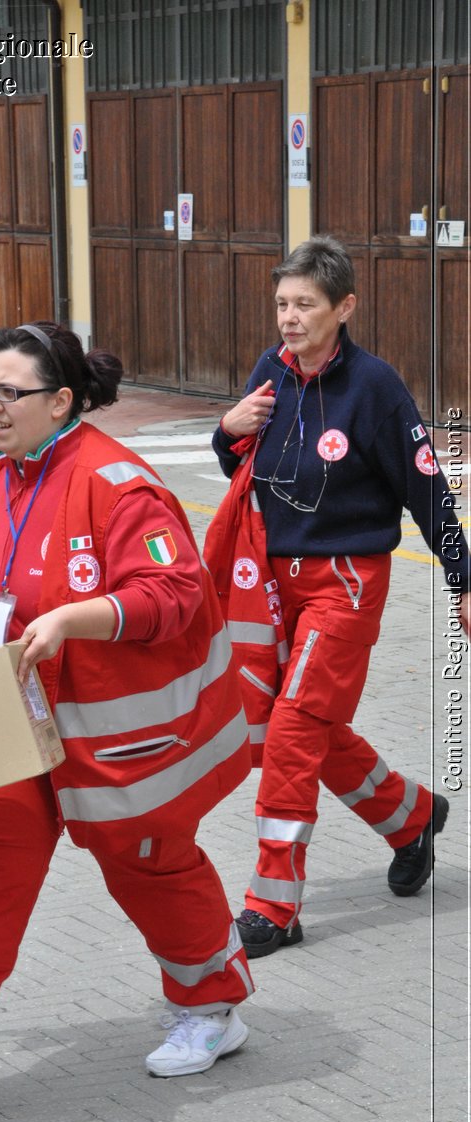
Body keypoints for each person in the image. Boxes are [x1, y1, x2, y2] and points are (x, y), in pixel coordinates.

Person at [0, 321, 255, 1119]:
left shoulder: (118, 482)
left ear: (61, 400)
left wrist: (79, 617)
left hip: (110, 738)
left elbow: (174, 593)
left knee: (147, 863)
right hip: (10, 719)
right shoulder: (0, 472)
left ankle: (211, 1008)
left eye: (10, 392)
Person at [207, 235, 470, 958]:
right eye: (282, 304)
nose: (289, 318)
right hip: (267, 582)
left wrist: (463, 578)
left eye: (304, 305)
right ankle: (409, 815)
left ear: (343, 306)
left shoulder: (375, 388)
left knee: (293, 734)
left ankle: (273, 904)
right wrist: (223, 433)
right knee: (289, 724)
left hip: (345, 585)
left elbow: (426, 489)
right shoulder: (272, 370)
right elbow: (243, 459)